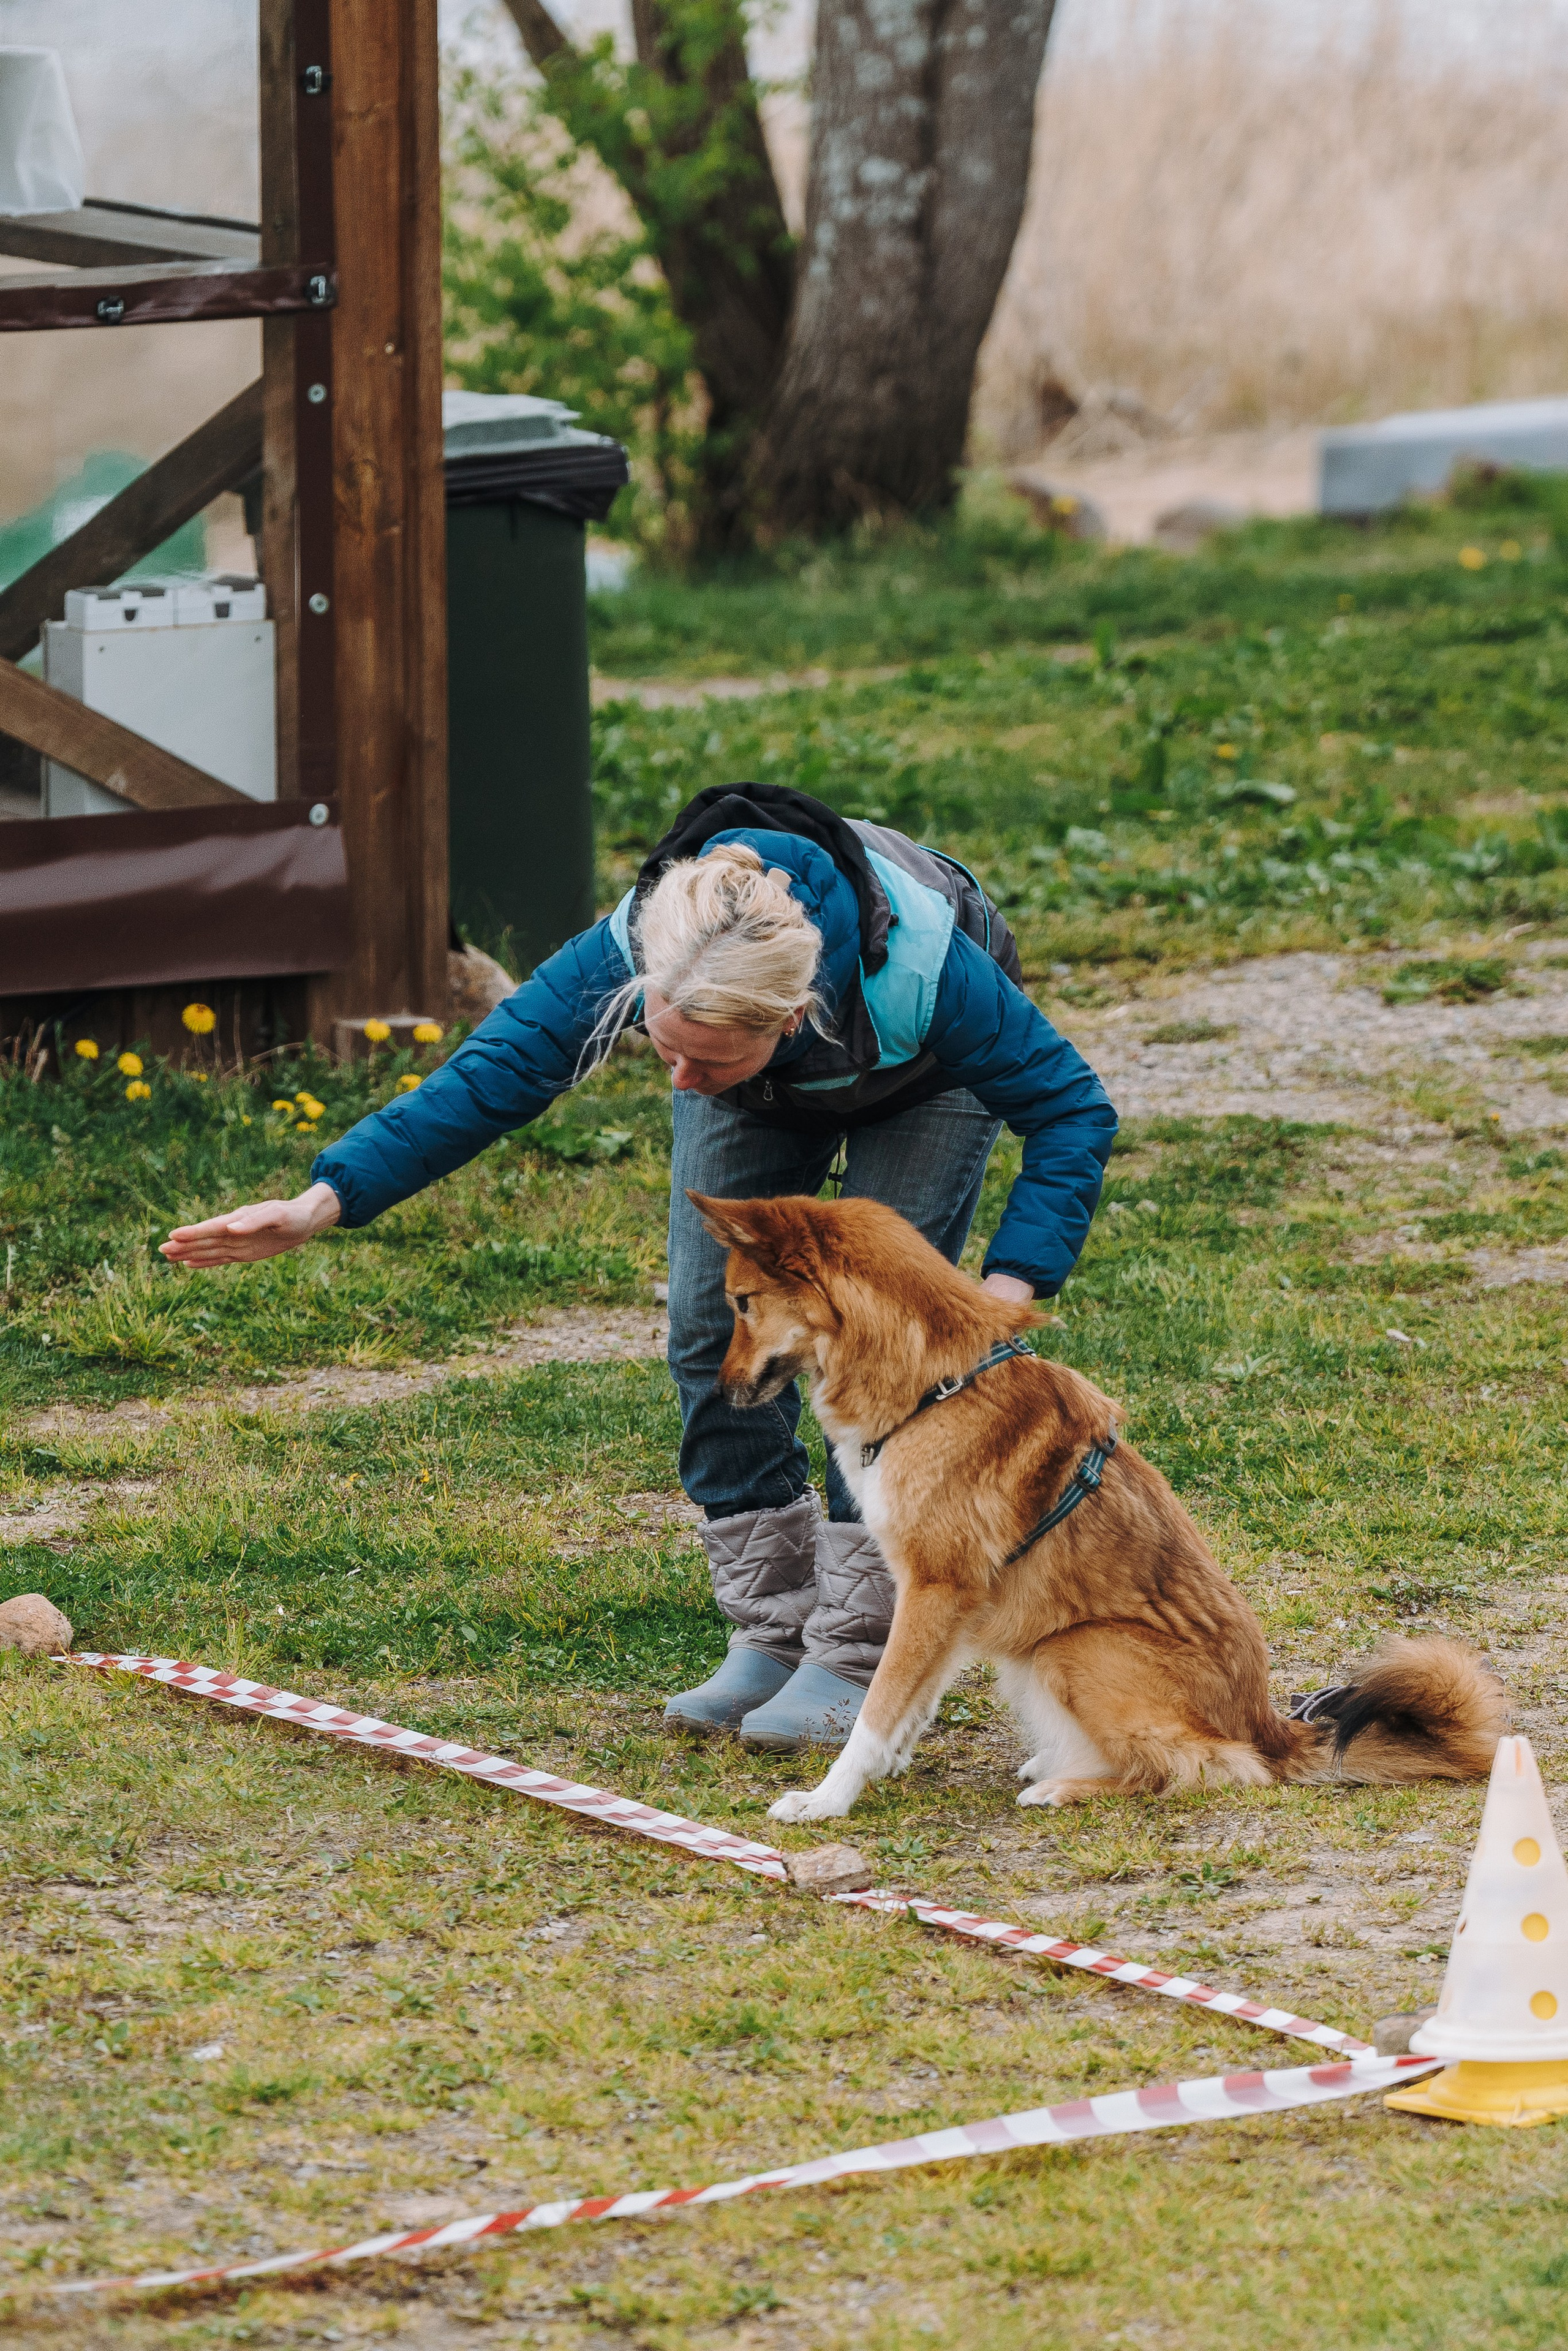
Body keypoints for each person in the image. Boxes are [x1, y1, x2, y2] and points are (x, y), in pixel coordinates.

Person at [163, 783, 1117, 1751]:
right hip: (763, 1079)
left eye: (701, 1061)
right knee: (714, 1325)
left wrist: (1005, 1290)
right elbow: (495, 1072)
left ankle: (857, 1649)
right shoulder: (659, 940)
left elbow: (1074, 1108)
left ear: (790, 1021)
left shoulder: (928, 971)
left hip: (922, 1077)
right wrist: (325, 1198)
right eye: (663, 1047)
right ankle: (773, 1626)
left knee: (874, 1349)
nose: (676, 1082)